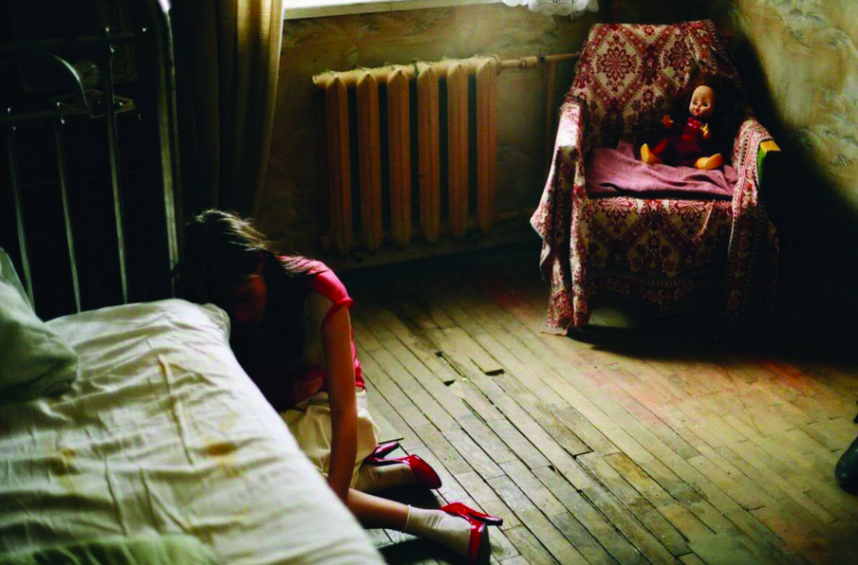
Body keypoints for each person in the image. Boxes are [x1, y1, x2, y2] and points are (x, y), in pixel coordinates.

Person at [176, 209, 501, 563]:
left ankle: (435, 522)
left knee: (288, 488)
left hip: (326, 405)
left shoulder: (317, 289)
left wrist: (334, 500)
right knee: (251, 484)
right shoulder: (202, 307)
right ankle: (379, 476)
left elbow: (344, 409)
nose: (238, 314)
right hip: (275, 411)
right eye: (228, 304)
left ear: (260, 262)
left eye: (244, 297)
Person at [640, 82, 725, 170]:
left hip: (695, 150)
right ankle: (652, 157)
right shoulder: (685, 118)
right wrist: (670, 124)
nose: (698, 106)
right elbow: (678, 127)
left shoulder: (706, 125)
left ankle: (707, 163)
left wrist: (706, 135)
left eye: (705, 104)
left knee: (698, 160)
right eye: (694, 102)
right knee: (665, 145)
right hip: (679, 147)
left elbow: (711, 142)